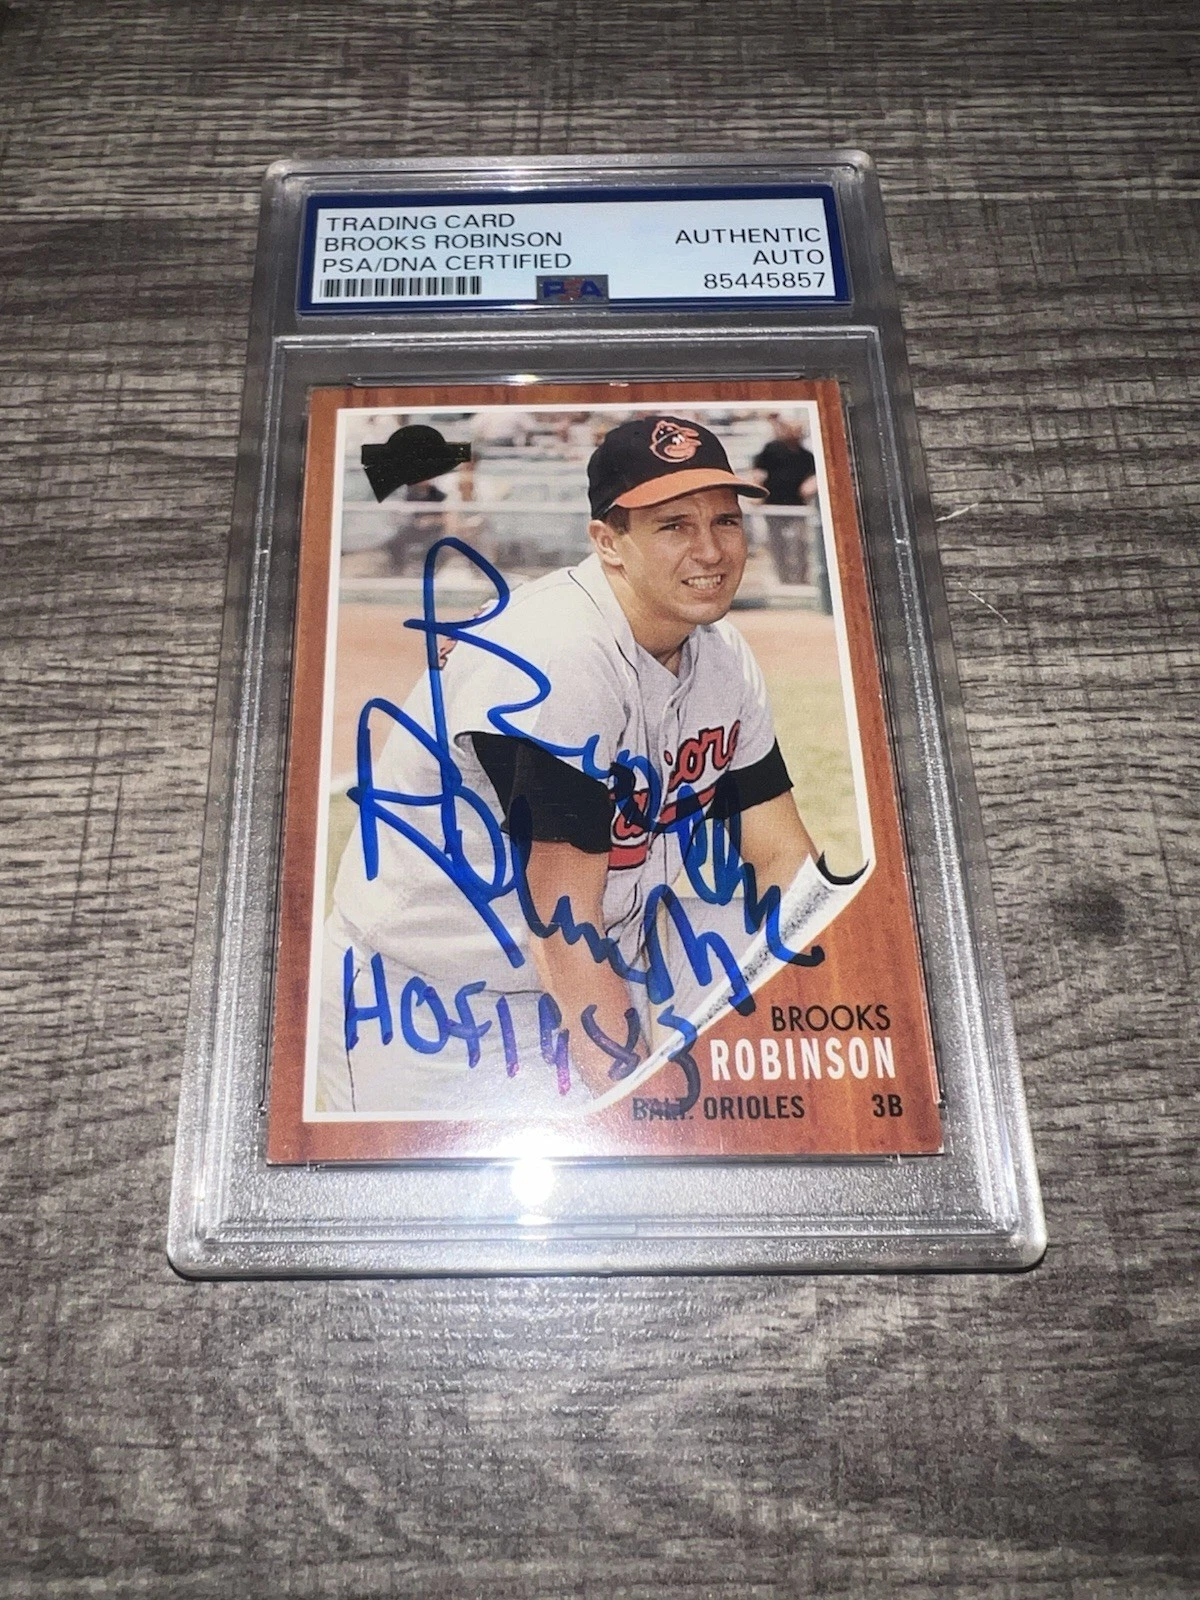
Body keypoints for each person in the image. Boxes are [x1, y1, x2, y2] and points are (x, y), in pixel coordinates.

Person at [318, 415, 823, 1117]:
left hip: (602, 972)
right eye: (674, 525)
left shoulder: (721, 659)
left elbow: (782, 856)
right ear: (608, 542)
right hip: (429, 1004)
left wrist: (816, 1012)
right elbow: (563, 925)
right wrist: (637, 1108)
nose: (710, 550)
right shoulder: (556, 655)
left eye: (726, 521)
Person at [751, 416, 818, 585]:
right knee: (777, 543)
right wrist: (757, 492)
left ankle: (801, 578)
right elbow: (757, 472)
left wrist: (811, 484)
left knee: (800, 543)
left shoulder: (807, 456)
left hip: (798, 507)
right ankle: (784, 578)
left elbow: (814, 477)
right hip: (773, 506)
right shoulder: (771, 450)